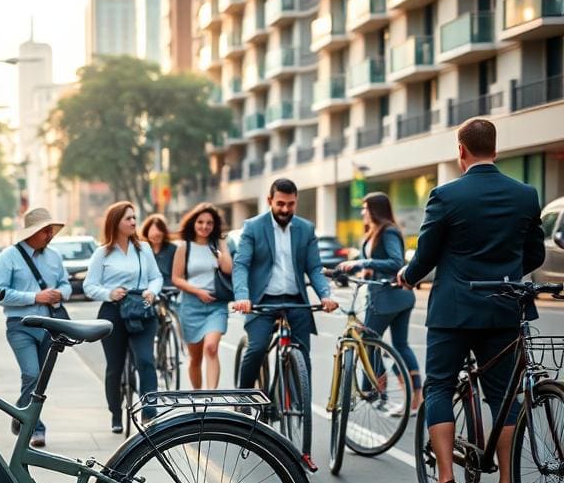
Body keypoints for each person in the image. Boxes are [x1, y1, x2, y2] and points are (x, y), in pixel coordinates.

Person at [398, 118, 544, 483]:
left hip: (454, 311)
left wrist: (407, 277)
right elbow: (535, 255)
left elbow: (426, 254)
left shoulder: (445, 195)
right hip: (505, 308)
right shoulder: (526, 194)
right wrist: (506, 272)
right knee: (502, 396)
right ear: (495, 148)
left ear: (461, 150)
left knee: (440, 386)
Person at [231, 178, 339, 391]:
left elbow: (315, 268)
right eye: (280, 204)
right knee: (257, 348)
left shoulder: (306, 229)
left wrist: (326, 295)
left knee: (302, 354)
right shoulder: (253, 227)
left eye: (290, 204)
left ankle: (299, 403)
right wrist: (242, 296)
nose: (285, 209)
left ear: (296, 202)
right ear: (269, 200)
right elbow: (241, 265)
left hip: (295, 300)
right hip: (263, 301)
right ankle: (242, 399)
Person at [337, 192, 423, 415]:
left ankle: (377, 390)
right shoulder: (374, 232)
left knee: (368, 341)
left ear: (375, 209)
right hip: (394, 296)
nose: (362, 212)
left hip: (388, 298)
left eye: (365, 208)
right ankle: (413, 401)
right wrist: (355, 268)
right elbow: (377, 264)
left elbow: (395, 262)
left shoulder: (388, 231)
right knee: (399, 346)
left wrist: (363, 262)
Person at [0, 207, 72, 449]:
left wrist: (60, 294)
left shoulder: (55, 256)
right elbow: (0, 294)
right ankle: (36, 429)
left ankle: (21, 414)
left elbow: (66, 284)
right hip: (20, 326)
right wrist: (35, 297)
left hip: (50, 325)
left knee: (40, 383)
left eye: (52, 230)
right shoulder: (9, 256)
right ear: (32, 232)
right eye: (46, 230)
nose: (50, 234)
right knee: (31, 374)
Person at [84, 201, 163, 433]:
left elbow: (156, 277)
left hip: (142, 310)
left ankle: (151, 413)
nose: (133, 222)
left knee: (146, 360)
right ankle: (115, 414)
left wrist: (152, 291)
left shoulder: (144, 248)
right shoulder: (102, 253)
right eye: (128, 218)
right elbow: (89, 286)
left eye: (134, 218)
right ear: (115, 222)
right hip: (113, 313)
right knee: (114, 367)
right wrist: (109, 293)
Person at [170, 203, 232, 389]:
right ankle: (198, 396)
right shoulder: (184, 247)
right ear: (193, 223)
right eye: (200, 222)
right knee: (195, 359)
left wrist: (221, 243)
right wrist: (197, 291)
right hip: (191, 306)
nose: (205, 227)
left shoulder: (217, 246)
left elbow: (228, 269)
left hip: (216, 305)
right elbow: (176, 278)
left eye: (210, 223)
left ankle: (211, 397)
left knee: (211, 348)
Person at [141, 213, 177, 286]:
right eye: (152, 230)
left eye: (159, 230)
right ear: (146, 232)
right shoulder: (141, 249)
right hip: (146, 290)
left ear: (164, 232)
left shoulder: (173, 249)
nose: (156, 234)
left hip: (169, 290)